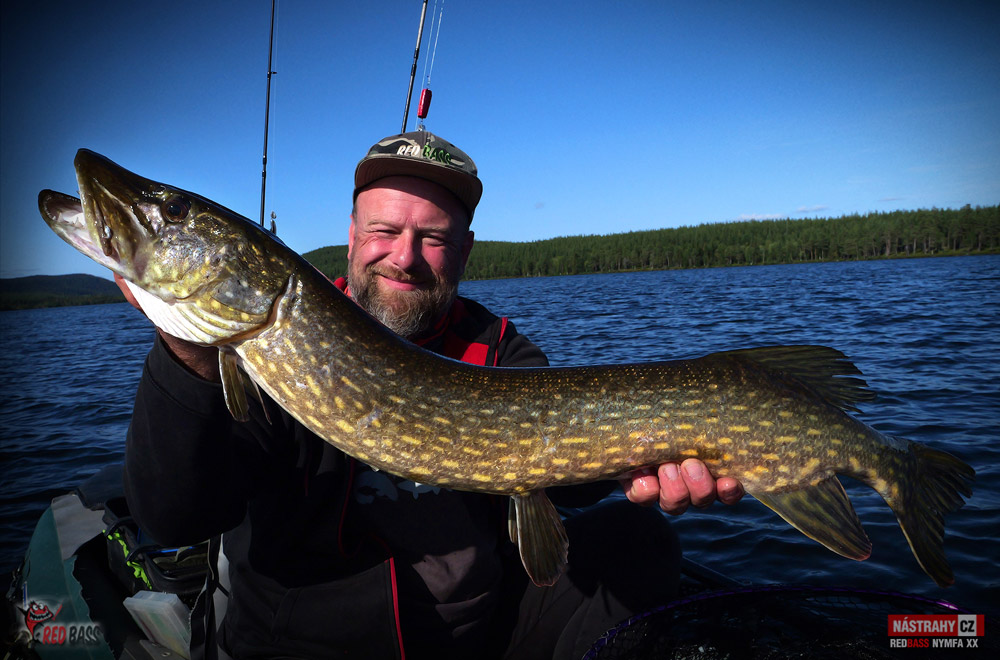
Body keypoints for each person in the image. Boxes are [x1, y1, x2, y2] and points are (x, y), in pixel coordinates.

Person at [118, 131, 744, 659]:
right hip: (307, 646)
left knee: (639, 540)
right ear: (352, 235)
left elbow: (568, 480)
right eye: (384, 230)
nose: (404, 257)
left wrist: (646, 459)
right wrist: (187, 358)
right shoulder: (265, 350)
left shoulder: (500, 350)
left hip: (478, 638)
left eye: (434, 238)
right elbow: (174, 518)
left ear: (464, 250)